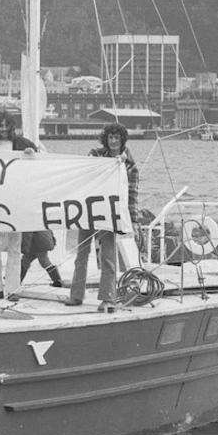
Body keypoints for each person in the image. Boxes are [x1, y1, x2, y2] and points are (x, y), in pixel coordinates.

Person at [61, 122, 139, 313]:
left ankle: (108, 298)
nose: (113, 141)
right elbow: (84, 169)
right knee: (82, 254)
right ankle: (76, 294)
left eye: (117, 138)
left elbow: (132, 195)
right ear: (106, 139)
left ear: (122, 140)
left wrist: (134, 221)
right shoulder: (96, 155)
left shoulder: (130, 166)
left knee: (108, 257)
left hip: (110, 213)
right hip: (90, 210)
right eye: (110, 137)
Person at [0, 110, 37, 302]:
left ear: (12, 126)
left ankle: (13, 289)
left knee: (14, 247)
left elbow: (39, 167)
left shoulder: (25, 145)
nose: (3, 129)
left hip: (16, 201)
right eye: (0, 126)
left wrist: (32, 155)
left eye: (6, 125)